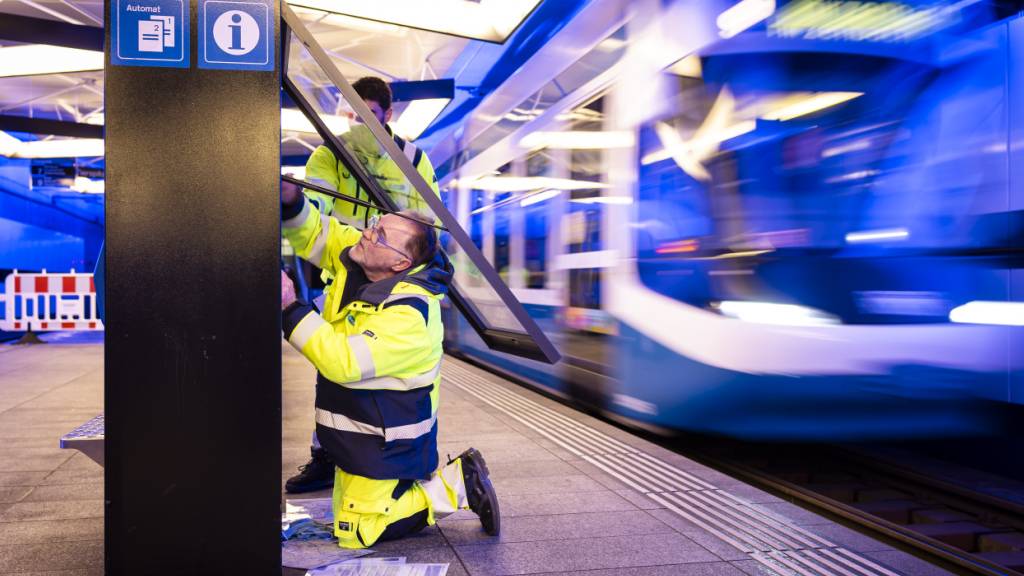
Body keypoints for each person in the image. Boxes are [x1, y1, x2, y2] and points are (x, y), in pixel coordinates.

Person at [280, 178, 500, 547]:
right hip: (360, 433)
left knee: (358, 533)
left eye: (381, 235)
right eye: (374, 226)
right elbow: (317, 231)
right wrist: (291, 201)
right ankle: (395, 492)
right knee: (345, 521)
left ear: (401, 262)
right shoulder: (362, 258)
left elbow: (344, 361)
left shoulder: (410, 313)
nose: (366, 235)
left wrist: (290, 308)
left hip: (388, 442)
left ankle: (460, 481)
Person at [288, 76, 441, 494]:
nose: (359, 125)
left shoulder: (412, 159)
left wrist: (391, 246)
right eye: (352, 115)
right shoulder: (328, 154)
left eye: (368, 116)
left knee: (381, 373)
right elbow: (314, 205)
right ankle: (326, 455)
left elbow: (428, 221)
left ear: (388, 115)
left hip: (392, 276)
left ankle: (409, 454)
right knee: (332, 366)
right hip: (342, 275)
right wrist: (293, 201)